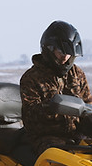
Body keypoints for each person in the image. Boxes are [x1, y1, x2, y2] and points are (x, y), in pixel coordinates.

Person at [20, 20, 92, 156]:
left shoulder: (77, 74)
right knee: (62, 160)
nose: (65, 57)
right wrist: (54, 107)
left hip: (77, 134)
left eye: (69, 53)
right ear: (49, 49)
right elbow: (30, 117)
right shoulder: (32, 78)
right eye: (60, 52)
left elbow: (87, 105)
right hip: (46, 137)